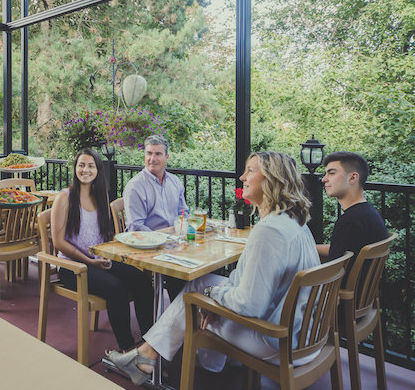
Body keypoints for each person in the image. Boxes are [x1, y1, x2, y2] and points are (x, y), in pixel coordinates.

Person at [106, 151, 320, 386]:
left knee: (195, 299)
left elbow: (249, 305)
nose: (241, 177)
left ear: (272, 179)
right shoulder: (295, 222)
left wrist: (210, 298)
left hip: (276, 339)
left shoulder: (269, 232)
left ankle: (190, 370)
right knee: (200, 284)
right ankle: (159, 357)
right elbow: (247, 285)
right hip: (303, 333)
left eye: (250, 170)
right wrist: (213, 296)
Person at [51, 148, 154, 352]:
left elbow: (105, 237)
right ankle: (127, 351)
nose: (85, 170)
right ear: (75, 168)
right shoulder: (64, 198)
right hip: (73, 268)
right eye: (81, 165)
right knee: (117, 289)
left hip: (99, 260)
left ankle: (149, 343)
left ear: (98, 170)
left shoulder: (101, 198)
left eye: (91, 166)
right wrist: (89, 262)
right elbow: (58, 242)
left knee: (142, 280)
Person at [122, 135, 189, 299]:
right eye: (149, 153)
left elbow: (183, 214)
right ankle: (176, 319)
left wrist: (182, 236)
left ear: (167, 157)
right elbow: (135, 227)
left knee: (206, 266)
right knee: (179, 275)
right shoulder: (135, 187)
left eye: (158, 154)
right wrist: (165, 240)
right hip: (148, 246)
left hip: (174, 244)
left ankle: (189, 318)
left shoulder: (175, 182)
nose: (152, 158)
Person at [317, 151, 388, 265]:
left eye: (331, 173)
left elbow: (332, 271)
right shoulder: (368, 214)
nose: (324, 179)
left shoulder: (350, 222)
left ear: (353, 178)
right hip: (364, 282)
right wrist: (309, 248)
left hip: (341, 282)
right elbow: (343, 250)